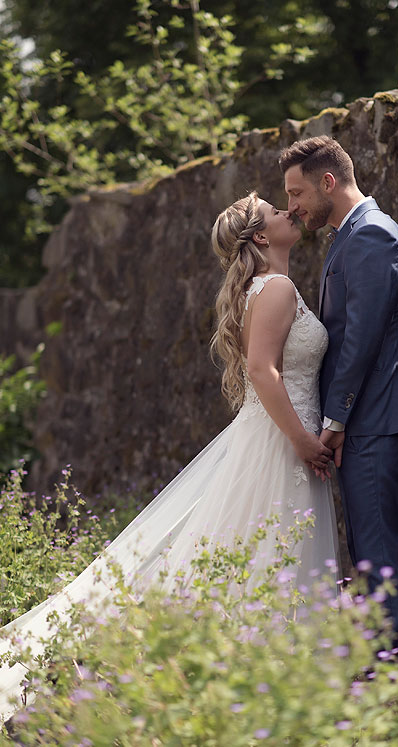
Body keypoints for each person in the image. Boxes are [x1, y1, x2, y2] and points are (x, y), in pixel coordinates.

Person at [0, 192, 340, 722]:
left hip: (275, 434)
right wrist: (301, 440)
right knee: (267, 554)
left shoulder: (266, 288)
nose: (287, 212)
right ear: (260, 236)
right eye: (275, 211)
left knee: (249, 557)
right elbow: (261, 371)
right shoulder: (276, 288)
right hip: (281, 440)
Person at [280, 136, 398, 638]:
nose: (292, 207)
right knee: (369, 551)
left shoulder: (372, 237)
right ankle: (383, 672)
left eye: (297, 194)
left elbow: (360, 339)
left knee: (378, 553)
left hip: (374, 417)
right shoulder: (353, 235)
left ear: (328, 182)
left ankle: (392, 680)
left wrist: (335, 419)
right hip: (369, 417)